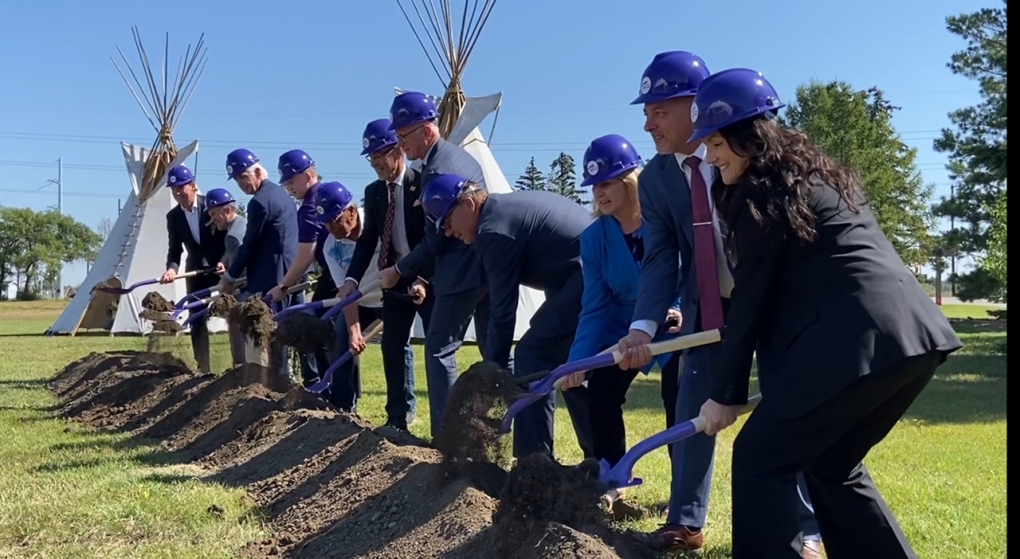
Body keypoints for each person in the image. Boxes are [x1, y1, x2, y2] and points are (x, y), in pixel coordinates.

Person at [687, 67, 963, 559]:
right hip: (913, 340)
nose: (710, 157)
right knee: (831, 464)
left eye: (714, 144)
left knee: (759, 459)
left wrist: (723, 394)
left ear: (746, 135)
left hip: (857, 344)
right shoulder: (813, 176)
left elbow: (752, 299)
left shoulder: (759, 194)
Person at [615, 51, 821, 554]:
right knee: (693, 401)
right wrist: (643, 327)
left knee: (789, 404)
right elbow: (663, 254)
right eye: (647, 113)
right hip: (710, 303)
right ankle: (685, 522)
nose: (647, 123)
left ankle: (809, 528)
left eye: (658, 110)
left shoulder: (752, 150)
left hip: (776, 299)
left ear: (695, 104)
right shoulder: (659, 178)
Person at [420, 173, 594, 460]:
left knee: (532, 354)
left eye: (448, 223)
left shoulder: (492, 231)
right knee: (572, 368)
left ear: (467, 203)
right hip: (578, 274)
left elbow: (503, 311)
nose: (449, 233)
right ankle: (600, 459)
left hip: (587, 274)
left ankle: (533, 462)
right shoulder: (499, 212)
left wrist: (491, 379)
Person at [557, 134, 683, 505]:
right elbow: (594, 304)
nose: (600, 192)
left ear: (631, 180)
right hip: (622, 330)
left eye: (607, 182)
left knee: (678, 398)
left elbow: (685, 272)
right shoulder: (594, 237)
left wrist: (678, 309)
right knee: (602, 392)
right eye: (594, 185)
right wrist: (578, 362)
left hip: (675, 324)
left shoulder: (666, 218)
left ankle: (684, 495)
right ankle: (613, 482)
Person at [374, 91, 491, 435]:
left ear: (426, 131)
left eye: (403, 135)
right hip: (484, 266)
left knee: (439, 348)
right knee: (493, 349)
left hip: (461, 269)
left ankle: (448, 434)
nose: (400, 143)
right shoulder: (459, 157)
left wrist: (400, 270)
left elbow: (437, 237)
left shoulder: (437, 170)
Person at [338, 118, 432, 429]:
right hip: (394, 276)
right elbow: (367, 242)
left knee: (435, 347)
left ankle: (442, 422)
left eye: (381, 155)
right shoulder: (375, 192)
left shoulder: (424, 181)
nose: (376, 163)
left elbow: (436, 237)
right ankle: (396, 418)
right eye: (372, 158)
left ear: (398, 150)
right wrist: (351, 281)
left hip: (428, 274)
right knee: (392, 345)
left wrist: (423, 278)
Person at [315, 180, 415, 417]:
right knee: (340, 341)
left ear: (351, 211)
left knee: (399, 348)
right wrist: (354, 331)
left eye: (335, 219)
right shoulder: (331, 247)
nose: (332, 227)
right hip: (360, 301)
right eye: (326, 222)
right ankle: (343, 404)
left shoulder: (379, 226)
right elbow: (346, 293)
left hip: (392, 296)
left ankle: (406, 408)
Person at [217, 148, 298, 376]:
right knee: (284, 331)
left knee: (269, 331)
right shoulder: (281, 194)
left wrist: (230, 277)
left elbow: (249, 245)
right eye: (237, 179)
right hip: (289, 270)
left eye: (244, 176)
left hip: (272, 276)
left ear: (259, 170)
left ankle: (268, 379)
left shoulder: (260, 203)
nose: (242, 183)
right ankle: (282, 377)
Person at [267, 149, 332, 388]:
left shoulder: (309, 207)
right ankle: (328, 387)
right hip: (336, 274)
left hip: (338, 277)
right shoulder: (325, 193)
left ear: (308, 175)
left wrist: (283, 286)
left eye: (291, 181)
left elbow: (305, 255)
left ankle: (331, 390)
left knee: (322, 333)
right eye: (285, 184)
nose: (289, 188)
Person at [159, 164, 225, 374]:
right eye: (174, 189)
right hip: (196, 271)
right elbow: (175, 249)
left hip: (223, 267)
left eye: (181, 188)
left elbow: (230, 237)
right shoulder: (173, 217)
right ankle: (204, 367)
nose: (178, 193)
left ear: (193, 186)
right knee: (197, 318)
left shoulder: (211, 205)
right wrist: (171, 269)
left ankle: (243, 364)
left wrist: (226, 261)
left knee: (236, 312)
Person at [206, 187, 247, 366]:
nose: (212, 219)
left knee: (237, 327)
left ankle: (240, 369)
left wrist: (226, 283)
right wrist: (225, 261)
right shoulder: (244, 224)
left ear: (228, 210)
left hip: (246, 288)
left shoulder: (232, 236)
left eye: (214, 214)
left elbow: (237, 272)